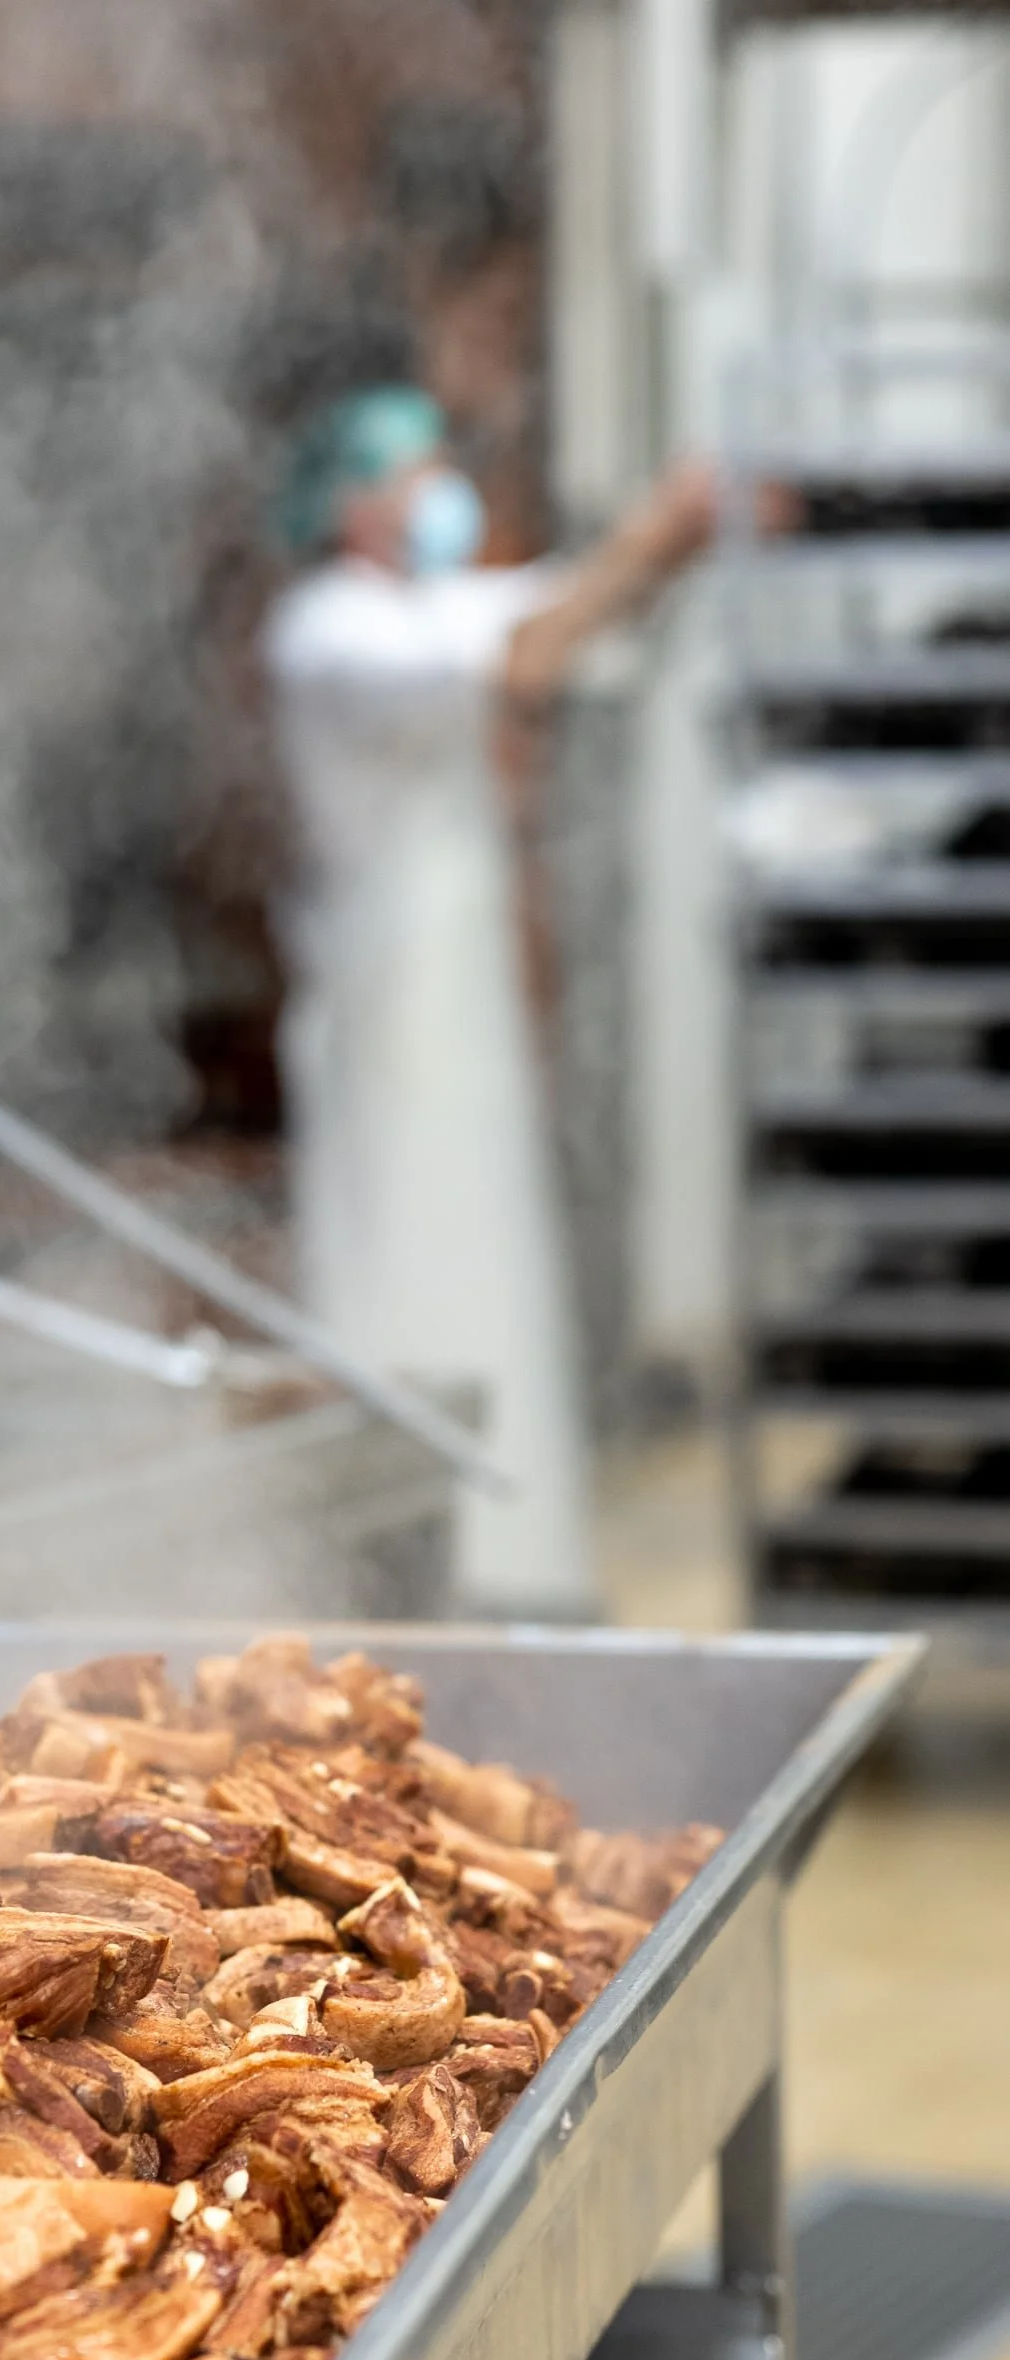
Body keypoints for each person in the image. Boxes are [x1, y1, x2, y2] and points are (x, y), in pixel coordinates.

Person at [263, 386, 719, 1610]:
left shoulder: (429, 604)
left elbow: (567, 606)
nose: (436, 492)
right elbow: (528, 653)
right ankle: (411, 1574)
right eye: (412, 474)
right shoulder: (327, 629)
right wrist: (661, 522)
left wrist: (677, 534)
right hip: (387, 1007)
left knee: (487, 1249)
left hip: (455, 1005)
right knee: (413, 1260)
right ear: (353, 504)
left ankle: (516, 1561)